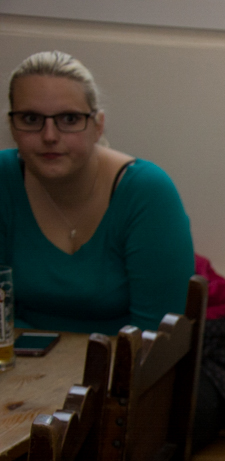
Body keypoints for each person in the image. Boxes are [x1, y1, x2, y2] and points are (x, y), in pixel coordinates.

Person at [1, 51, 194, 335]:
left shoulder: (147, 193)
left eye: (69, 119)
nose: (49, 136)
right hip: (18, 360)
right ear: (12, 126)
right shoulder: (4, 179)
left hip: (122, 362)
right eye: (31, 119)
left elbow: (158, 340)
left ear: (98, 125)